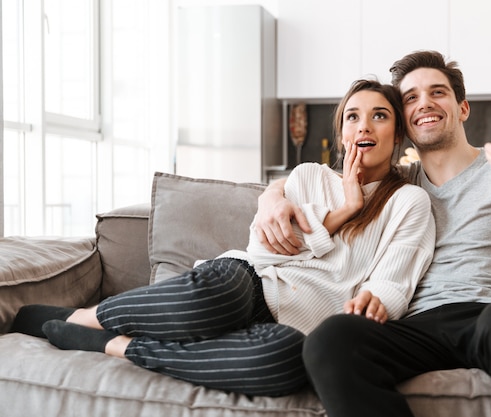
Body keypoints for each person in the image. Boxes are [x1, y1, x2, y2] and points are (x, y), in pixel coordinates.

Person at [11, 79, 436, 398]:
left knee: (285, 363)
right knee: (221, 294)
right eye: (353, 116)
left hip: (294, 327)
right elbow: (263, 250)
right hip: (250, 285)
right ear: (342, 133)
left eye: (380, 115)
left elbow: (393, 281)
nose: (365, 126)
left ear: (397, 136)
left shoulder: (409, 202)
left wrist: (377, 300)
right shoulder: (309, 175)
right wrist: (343, 211)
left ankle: (118, 344)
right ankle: (85, 317)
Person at [254, 50, 491, 416]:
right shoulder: (397, 190)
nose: (424, 102)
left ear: (463, 108)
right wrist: (271, 196)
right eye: (411, 97)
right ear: (403, 124)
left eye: (438, 92)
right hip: (415, 325)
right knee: (331, 340)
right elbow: (319, 182)